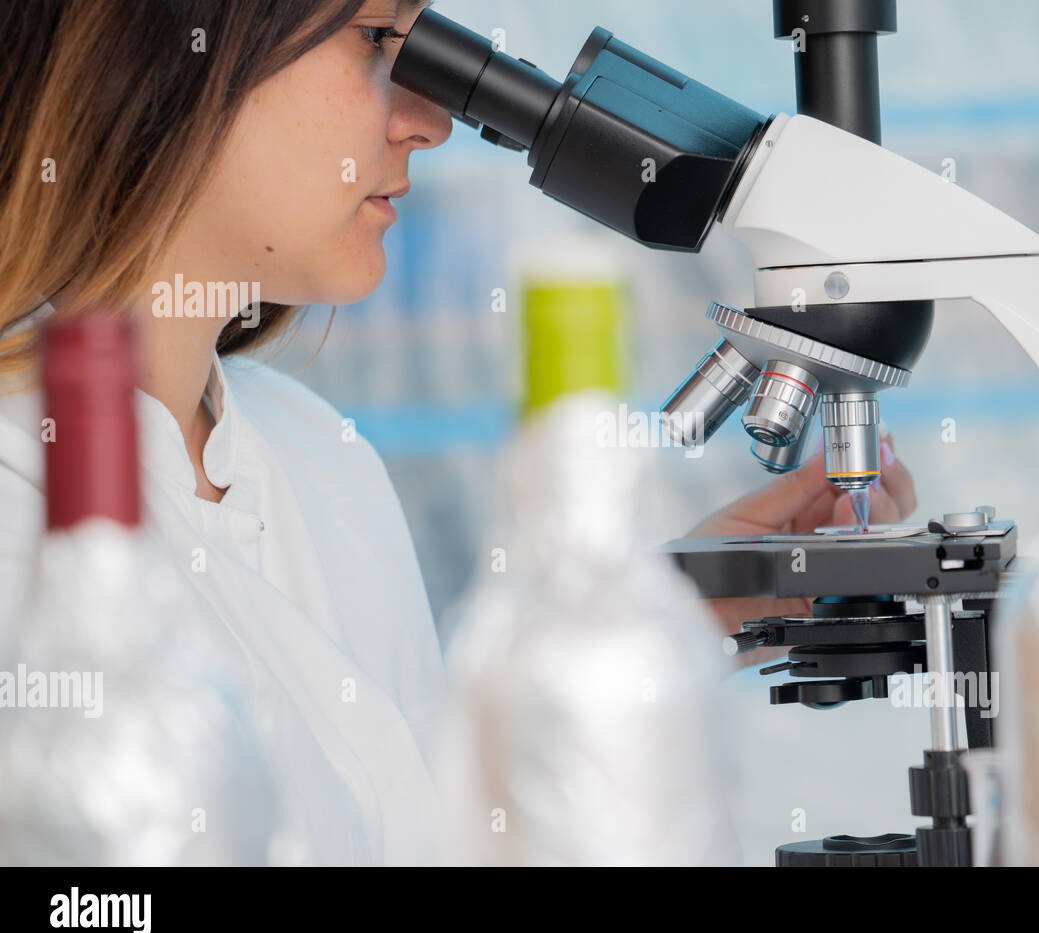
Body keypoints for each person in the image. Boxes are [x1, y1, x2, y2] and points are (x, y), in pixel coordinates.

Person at [0, 0, 916, 864]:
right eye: (373, 39)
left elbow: (412, 831)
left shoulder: (320, 455)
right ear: (164, 49)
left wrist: (646, 629)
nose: (429, 121)